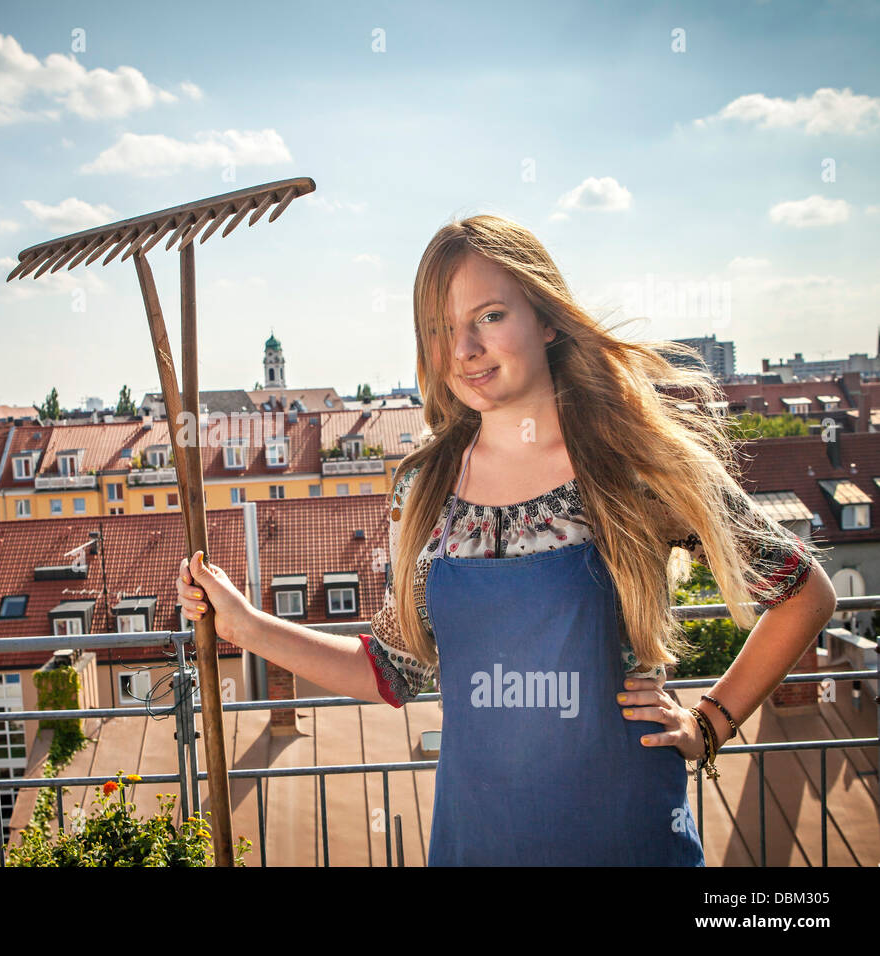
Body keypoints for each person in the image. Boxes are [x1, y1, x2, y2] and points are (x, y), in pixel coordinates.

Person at [174, 213, 838, 866]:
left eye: (488, 316)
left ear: (548, 319)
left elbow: (804, 594)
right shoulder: (426, 486)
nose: (463, 349)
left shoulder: (633, 467)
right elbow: (392, 669)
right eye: (441, 329)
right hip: (476, 843)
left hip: (627, 841)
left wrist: (709, 723)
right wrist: (247, 625)